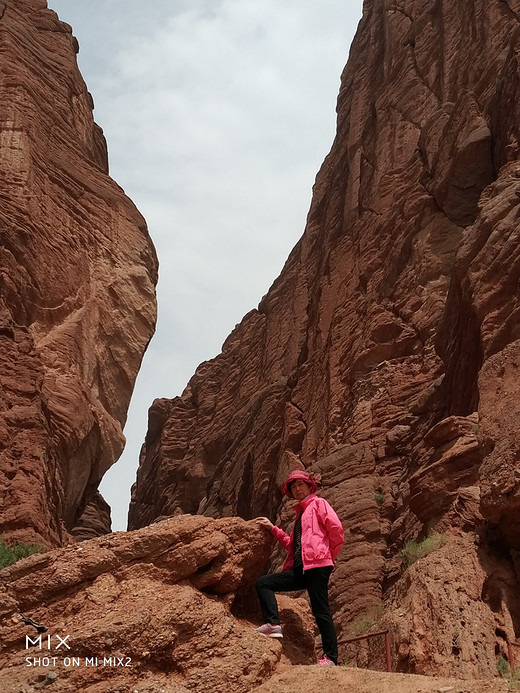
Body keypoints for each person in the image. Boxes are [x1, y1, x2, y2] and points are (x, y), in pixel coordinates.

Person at [254, 469, 344, 666]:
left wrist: (329, 556)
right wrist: (273, 529)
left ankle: (331, 658)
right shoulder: (300, 515)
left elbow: (337, 530)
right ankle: (273, 624)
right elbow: (293, 546)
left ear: (309, 486)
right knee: (264, 583)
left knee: (321, 610)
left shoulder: (319, 504)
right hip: (301, 568)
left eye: (300, 484)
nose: (297, 488)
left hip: (318, 566)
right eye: (293, 486)